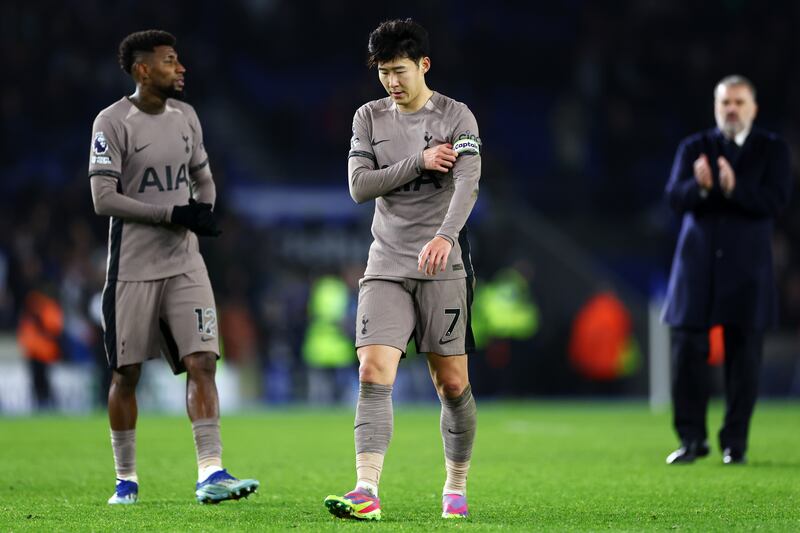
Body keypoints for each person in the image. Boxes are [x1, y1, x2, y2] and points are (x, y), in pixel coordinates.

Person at [88, 30, 258, 504]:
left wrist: (203, 209)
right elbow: (102, 199)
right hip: (133, 268)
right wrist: (171, 214)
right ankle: (126, 479)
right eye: (169, 61)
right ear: (143, 70)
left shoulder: (187, 117)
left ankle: (211, 472)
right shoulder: (112, 122)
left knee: (202, 362)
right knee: (126, 376)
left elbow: (202, 176)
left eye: (179, 59)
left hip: (185, 263)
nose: (180, 68)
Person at [324, 18, 481, 520]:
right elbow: (359, 186)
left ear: (424, 65)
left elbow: (468, 184)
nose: (391, 81)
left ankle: (455, 485)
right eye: (383, 72)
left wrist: (444, 236)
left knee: (452, 385)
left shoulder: (458, 116)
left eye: (399, 70)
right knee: (373, 372)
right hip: (387, 262)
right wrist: (417, 162)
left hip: (443, 263)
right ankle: (366, 488)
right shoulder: (368, 118)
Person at [662, 75, 791, 465]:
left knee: (744, 358)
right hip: (696, 267)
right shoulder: (694, 147)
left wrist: (735, 190)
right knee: (687, 355)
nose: (731, 109)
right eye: (725, 103)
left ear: (753, 108)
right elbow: (673, 197)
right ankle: (692, 440)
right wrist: (700, 188)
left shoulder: (772, 149)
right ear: (716, 107)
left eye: (739, 102)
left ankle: (735, 443)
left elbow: (777, 202)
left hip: (747, 271)